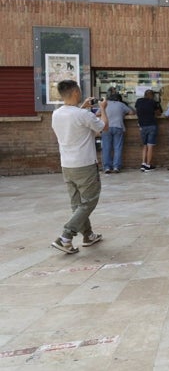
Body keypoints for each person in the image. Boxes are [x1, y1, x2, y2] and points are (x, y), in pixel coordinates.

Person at [50, 80, 108, 253]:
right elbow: (104, 127)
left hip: (67, 165)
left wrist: (82, 107)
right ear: (75, 92)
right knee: (89, 201)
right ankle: (65, 236)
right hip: (84, 164)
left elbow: (75, 119)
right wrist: (103, 108)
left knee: (77, 204)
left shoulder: (57, 114)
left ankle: (88, 235)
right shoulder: (83, 115)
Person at [97, 92, 134, 174]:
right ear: (118, 99)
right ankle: (116, 167)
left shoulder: (105, 104)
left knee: (106, 148)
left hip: (106, 127)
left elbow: (97, 114)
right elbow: (131, 112)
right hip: (118, 127)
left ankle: (107, 167)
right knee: (118, 148)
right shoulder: (121, 104)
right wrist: (123, 113)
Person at [135, 89, 162, 171]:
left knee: (145, 146)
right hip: (151, 125)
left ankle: (143, 164)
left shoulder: (138, 101)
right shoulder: (152, 102)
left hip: (142, 126)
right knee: (150, 146)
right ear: (152, 95)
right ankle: (148, 165)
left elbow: (137, 111)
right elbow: (159, 113)